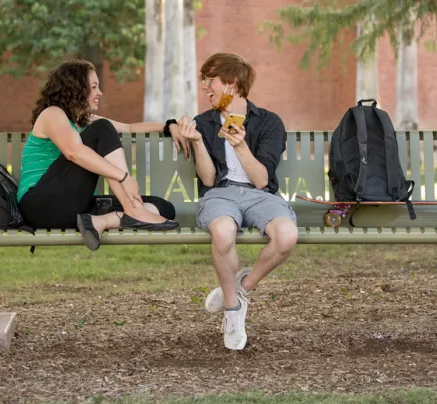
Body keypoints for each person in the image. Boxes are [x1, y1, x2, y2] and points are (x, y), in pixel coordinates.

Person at [177, 53, 299, 350]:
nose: (205, 87)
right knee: (222, 232)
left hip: (260, 195)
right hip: (221, 193)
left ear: (232, 83)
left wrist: (241, 145)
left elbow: (261, 179)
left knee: (286, 236)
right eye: (203, 80)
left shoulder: (269, 122)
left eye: (211, 80)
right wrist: (195, 142)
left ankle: (241, 288)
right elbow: (207, 179)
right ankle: (232, 312)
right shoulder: (203, 123)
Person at [17, 60, 188, 251]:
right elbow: (74, 153)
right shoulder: (52, 114)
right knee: (102, 128)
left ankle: (100, 221)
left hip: (74, 207)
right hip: (41, 205)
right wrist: (124, 178)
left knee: (163, 207)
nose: (100, 93)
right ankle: (132, 210)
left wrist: (169, 125)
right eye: (94, 87)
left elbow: (129, 128)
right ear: (76, 89)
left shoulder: (83, 121)